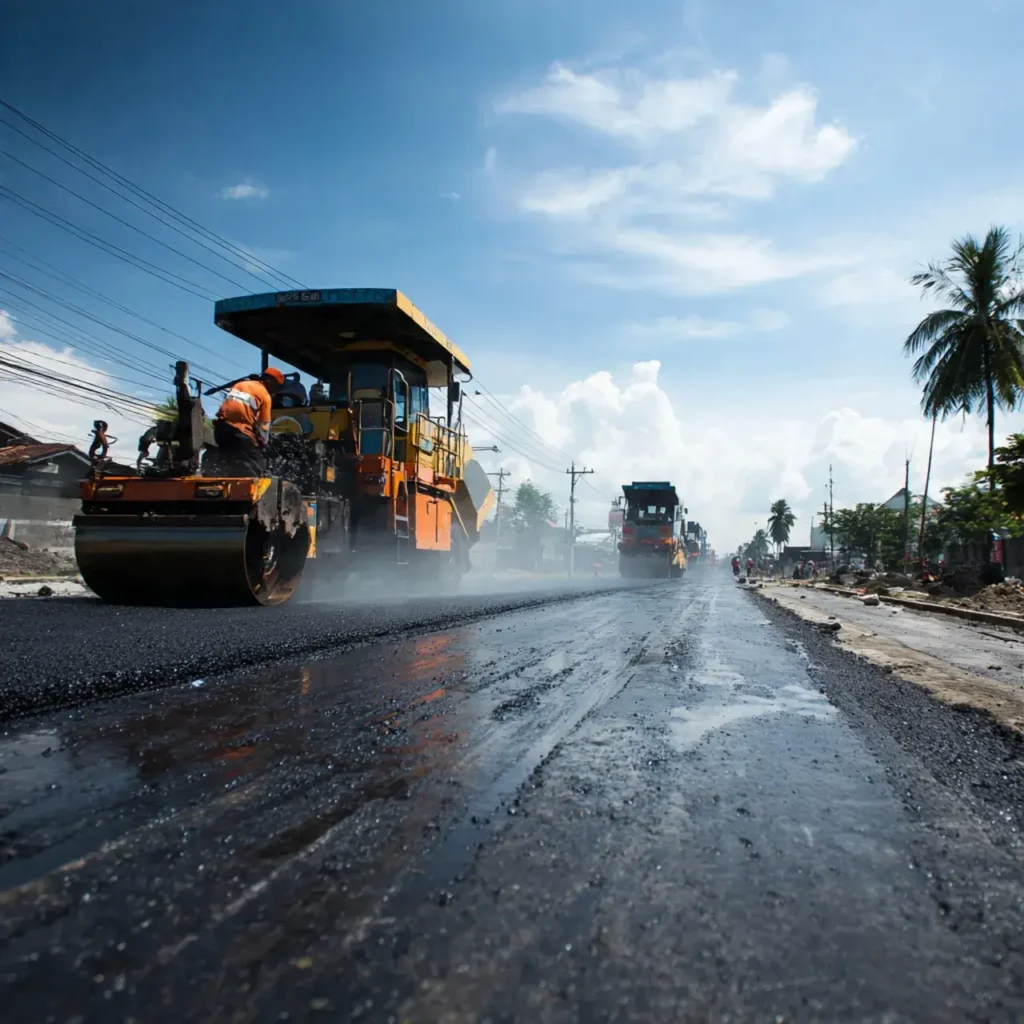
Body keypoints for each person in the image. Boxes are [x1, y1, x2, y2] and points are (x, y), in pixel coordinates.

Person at [208, 367, 284, 476]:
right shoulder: (265, 395)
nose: (276, 391)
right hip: (239, 432)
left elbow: (235, 408)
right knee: (257, 464)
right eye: (276, 387)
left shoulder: (240, 385)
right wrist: (264, 444)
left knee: (232, 463)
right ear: (269, 381)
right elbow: (263, 425)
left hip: (220, 430)